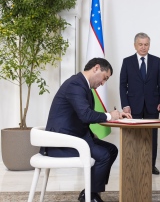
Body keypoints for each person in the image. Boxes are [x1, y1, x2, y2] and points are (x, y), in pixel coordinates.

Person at [40, 58, 131, 202]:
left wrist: (116, 115)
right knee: (104, 155)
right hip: (60, 144)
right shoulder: (76, 84)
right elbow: (86, 115)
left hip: (74, 138)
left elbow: (82, 116)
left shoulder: (83, 86)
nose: (103, 83)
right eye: (104, 78)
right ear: (96, 68)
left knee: (112, 150)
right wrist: (109, 115)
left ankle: (90, 192)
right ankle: (90, 195)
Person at [119, 32, 160, 175]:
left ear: (149, 45)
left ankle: (151, 165)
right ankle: (133, 164)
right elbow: (122, 85)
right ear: (135, 45)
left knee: (152, 136)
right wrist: (125, 104)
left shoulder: (156, 61)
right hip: (133, 105)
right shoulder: (127, 62)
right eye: (140, 44)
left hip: (153, 104)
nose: (143, 47)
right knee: (134, 136)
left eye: (146, 44)